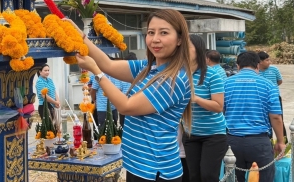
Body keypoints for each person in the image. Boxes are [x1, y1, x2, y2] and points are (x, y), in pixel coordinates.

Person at [68, 9, 193, 182]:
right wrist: (75, 31)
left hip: (156, 170)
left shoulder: (174, 78)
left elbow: (126, 107)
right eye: (151, 32)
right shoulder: (149, 67)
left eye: (164, 33)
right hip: (139, 165)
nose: (155, 39)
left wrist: (95, 72)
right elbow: (108, 65)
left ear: (180, 39)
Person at [224, 51, 285, 182]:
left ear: (238, 66)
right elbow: (275, 117)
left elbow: (220, 112)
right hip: (259, 143)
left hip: (231, 142)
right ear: (258, 65)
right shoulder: (269, 85)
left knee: (232, 178)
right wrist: (280, 141)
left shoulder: (226, 84)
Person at [182, 35, 227, 182]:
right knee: (193, 176)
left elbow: (219, 106)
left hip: (213, 135)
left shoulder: (212, 75)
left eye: (187, 47)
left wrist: (196, 99)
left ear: (198, 50)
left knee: (208, 176)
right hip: (190, 134)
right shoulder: (181, 74)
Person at [258, 51, 287, 142]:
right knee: (265, 120)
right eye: (267, 60)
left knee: (279, 119)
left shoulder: (274, 69)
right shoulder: (256, 71)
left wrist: (271, 90)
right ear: (260, 61)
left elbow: (279, 81)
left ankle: (283, 142)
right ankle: (268, 142)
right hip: (261, 99)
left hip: (275, 98)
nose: (269, 62)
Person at [119, 52, 138, 128]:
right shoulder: (140, 75)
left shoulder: (121, 76)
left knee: (124, 127)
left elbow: (119, 90)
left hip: (127, 106)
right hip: (131, 107)